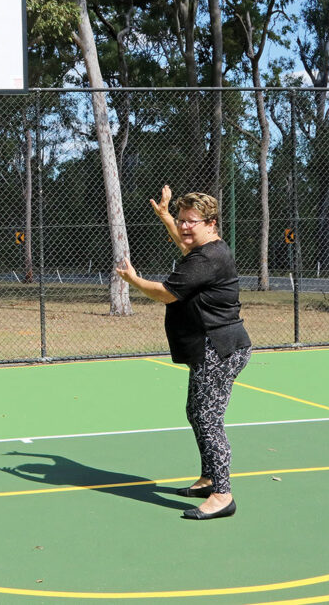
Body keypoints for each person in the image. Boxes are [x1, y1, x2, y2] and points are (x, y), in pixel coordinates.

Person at [115, 186, 251, 520]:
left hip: (219, 349)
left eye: (191, 221)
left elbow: (166, 294)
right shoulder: (206, 251)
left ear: (211, 223)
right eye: (182, 220)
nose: (185, 227)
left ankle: (222, 494)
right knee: (197, 412)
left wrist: (133, 280)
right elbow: (184, 244)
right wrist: (165, 216)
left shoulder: (208, 258)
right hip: (212, 346)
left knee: (208, 418)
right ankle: (208, 479)